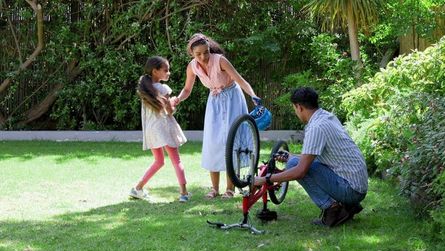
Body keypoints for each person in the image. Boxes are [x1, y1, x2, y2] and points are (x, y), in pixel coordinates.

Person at [254, 87, 368, 227]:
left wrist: (265, 179)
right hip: (357, 185)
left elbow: (300, 171)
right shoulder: (327, 117)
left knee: (294, 165)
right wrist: (291, 156)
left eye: (295, 109)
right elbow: (316, 156)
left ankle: (333, 209)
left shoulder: (316, 128)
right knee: (294, 161)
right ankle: (349, 205)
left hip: (351, 190)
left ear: (299, 107)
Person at [172, 33, 261, 199]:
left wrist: (253, 95)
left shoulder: (220, 60)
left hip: (232, 98)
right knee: (213, 142)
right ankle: (214, 188)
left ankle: (230, 188)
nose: (203, 56)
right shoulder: (192, 66)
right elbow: (187, 90)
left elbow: (240, 80)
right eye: (198, 54)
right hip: (214, 101)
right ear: (192, 53)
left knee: (231, 141)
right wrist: (178, 98)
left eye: (206, 52)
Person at [130, 56, 190, 203]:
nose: (168, 73)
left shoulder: (146, 89)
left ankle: (137, 188)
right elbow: (169, 112)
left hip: (151, 129)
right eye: (165, 70)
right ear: (155, 71)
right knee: (176, 160)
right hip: (164, 127)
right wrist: (174, 102)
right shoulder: (163, 89)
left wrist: (169, 103)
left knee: (159, 161)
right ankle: (184, 193)